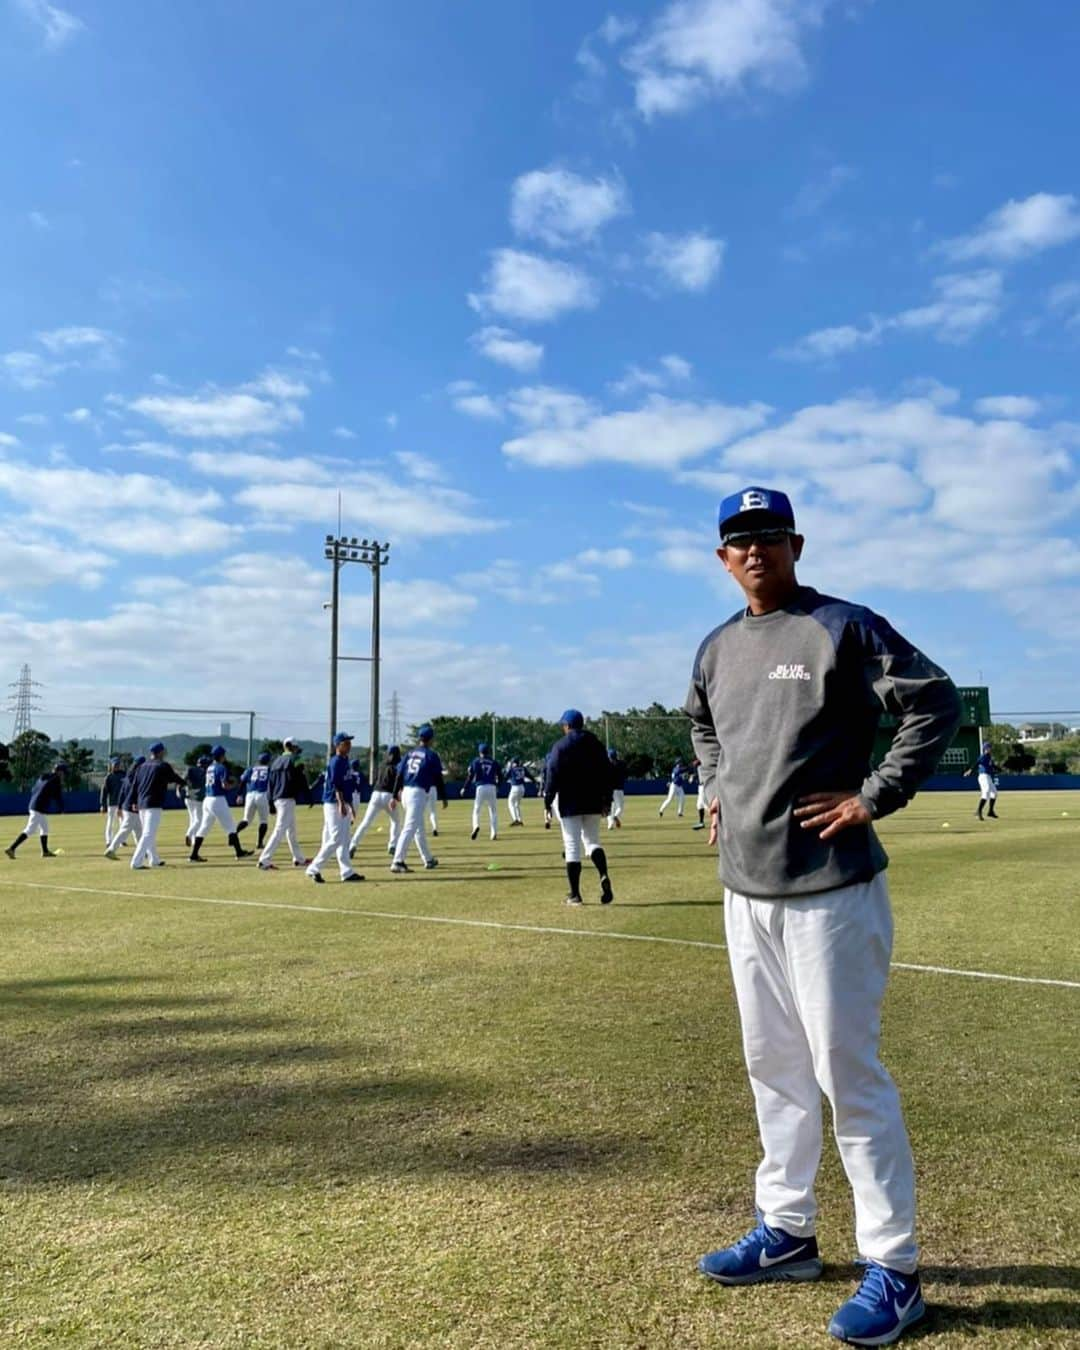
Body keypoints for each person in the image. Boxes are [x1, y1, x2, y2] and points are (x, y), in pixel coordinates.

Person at [685, 485, 961, 1347]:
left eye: (769, 536)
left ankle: (896, 1269)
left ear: (796, 545)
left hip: (832, 891)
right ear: (722, 559)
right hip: (746, 893)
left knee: (850, 1078)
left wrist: (876, 794)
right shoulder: (716, 647)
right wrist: (713, 788)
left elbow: (934, 700)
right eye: (740, 541)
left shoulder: (843, 626)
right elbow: (702, 727)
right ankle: (788, 1232)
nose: (755, 551)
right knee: (773, 1069)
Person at [544, 710, 614, 906]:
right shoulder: (596, 743)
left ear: (567, 725)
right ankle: (603, 874)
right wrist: (606, 800)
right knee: (592, 842)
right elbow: (607, 772)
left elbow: (552, 774)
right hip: (593, 800)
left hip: (570, 801)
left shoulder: (561, 746)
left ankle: (575, 895)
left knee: (572, 846)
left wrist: (547, 801)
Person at [306, 733, 364, 884]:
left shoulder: (345, 760)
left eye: (349, 742)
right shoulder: (336, 761)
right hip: (333, 803)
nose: (349, 745)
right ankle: (313, 868)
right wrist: (340, 803)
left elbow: (348, 784)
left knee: (344, 839)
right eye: (346, 742)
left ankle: (347, 872)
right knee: (336, 838)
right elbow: (335, 784)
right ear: (338, 745)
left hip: (342, 802)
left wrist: (350, 805)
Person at [390, 724, 445, 873]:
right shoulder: (431, 755)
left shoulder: (410, 753)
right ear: (431, 739)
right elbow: (438, 778)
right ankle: (397, 861)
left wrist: (395, 794)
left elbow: (399, 774)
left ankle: (428, 859)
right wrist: (443, 796)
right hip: (418, 793)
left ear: (419, 738)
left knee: (418, 828)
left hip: (406, 791)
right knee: (410, 827)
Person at [189, 745, 253, 862]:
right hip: (217, 799)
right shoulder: (221, 767)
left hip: (207, 800)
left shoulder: (210, 767)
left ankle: (193, 855)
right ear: (222, 756)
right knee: (231, 827)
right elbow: (224, 785)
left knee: (204, 828)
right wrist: (234, 784)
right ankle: (239, 853)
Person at [130, 742, 187, 869]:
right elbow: (174, 778)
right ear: (161, 752)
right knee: (148, 834)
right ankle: (136, 862)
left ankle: (154, 859)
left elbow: (135, 785)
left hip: (141, 803)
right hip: (153, 803)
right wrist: (185, 782)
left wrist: (133, 801)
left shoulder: (142, 766)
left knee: (148, 833)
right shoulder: (162, 765)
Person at [259, 737, 311, 870]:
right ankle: (264, 860)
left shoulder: (275, 762)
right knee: (280, 830)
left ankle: (299, 859)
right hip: (287, 799)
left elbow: (270, 784)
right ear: (290, 746)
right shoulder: (294, 760)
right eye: (295, 747)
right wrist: (308, 796)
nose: (297, 750)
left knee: (291, 830)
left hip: (277, 799)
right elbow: (301, 778)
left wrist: (270, 802)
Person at [5, 762, 66, 859]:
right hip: (38, 807)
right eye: (63, 773)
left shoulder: (43, 777)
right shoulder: (55, 780)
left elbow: (33, 790)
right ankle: (11, 848)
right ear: (59, 772)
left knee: (44, 828)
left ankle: (45, 851)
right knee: (30, 829)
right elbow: (57, 796)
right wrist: (62, 808)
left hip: (34, 805)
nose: (64, 775)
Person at [349, 745, 402, 857]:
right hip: (388, 795)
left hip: (375, 794)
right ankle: (392, 845)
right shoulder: (396, 766)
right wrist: (395, 797)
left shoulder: (382, 765)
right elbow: (397, 782)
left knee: (366, 822)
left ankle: (352, 845)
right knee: (396, 821)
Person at [105, 756, 144, 857]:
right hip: (130, 806)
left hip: (126, 806)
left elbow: (122, 792)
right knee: (125, 829)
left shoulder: (127, 775)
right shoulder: (135, 775)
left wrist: (120, 806)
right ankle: (111, 848)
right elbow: (133, 792)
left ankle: (144, 852)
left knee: (139, 830)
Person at [464, 742, 502, 841]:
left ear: (480, 752)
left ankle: (475, 826)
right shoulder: (493, 762)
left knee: (477, 810)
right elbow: (500, 775)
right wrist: (498, 785)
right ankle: (493, 833)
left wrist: (465, 787)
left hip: (480, 787)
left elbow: (470, 775)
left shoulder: (476, 761)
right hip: (492, 786)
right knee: (493, 811)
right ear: (488, 751)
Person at [239, 752, 273, 851]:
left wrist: (239, 794)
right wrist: (271, 803)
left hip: (250, 795)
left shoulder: (251, 768)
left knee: (246, 820)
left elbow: (243, 780)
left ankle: (234, 835)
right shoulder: (269, 770)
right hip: (262, 795)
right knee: (263, 821)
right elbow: (271, 784)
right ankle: (259, 843)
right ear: (268, 761)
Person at [965, 741, 1000, 819]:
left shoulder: (989, 757)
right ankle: (979, 811)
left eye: (990, 747)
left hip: (988, 777)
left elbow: (992, 765)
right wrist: (970, 770)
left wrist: (999, 768)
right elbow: (977, 763)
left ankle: (990, 811)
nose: (989, 749)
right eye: (988, 747)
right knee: (986, 792)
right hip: (983, 776)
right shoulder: (983, 756)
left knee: (994, 793)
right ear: (984, 748)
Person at [182, 755, 211, 845]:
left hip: (188, 797)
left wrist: (179, 789)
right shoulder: (205, 772)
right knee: (199, 820)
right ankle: (189, 834)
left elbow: (182, 780)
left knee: (193, 819)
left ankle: (194, 840)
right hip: (198, 798)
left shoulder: (190, 769)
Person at [100, 757, 125, 845]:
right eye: (115, 765)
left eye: (118, 765)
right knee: (110, 822)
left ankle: (121, 840)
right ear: (111, 766)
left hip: (122, 804)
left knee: (123, 823)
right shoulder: (109, 777)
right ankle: (109, 841)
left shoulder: (124, 775)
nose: (116, 766)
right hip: (112, 804)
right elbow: (104, 792)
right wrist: (103, 805)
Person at [505, 757, 534, 826]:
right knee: (516, 805)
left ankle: (515, 819)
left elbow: (505, 776)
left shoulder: (512, 769)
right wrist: (534, 781)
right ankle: (520, 820)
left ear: (514, 763)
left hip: (515, 787)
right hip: (522, 788)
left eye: (513, 763)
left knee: (510, 803)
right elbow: (529, 776)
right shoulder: (523, 768)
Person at [605, 748, 627, 830]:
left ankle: (610, 825)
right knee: (620, 807)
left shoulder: (607, 765)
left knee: (610, 808)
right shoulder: (622, 764)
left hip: (609, 789)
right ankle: (616, 816)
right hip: (619, 789)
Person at [691, 757, 708, 830]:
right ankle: (701, 823)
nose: (694, 763)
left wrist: (693, 777)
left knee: (705, 805)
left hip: (704, 786)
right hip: (700, 787)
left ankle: (720, 821)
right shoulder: (698, 767)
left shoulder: (702, 765)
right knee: (699, 805)